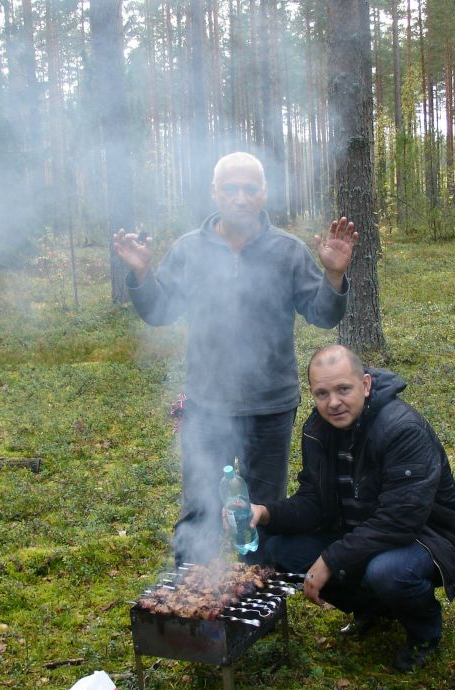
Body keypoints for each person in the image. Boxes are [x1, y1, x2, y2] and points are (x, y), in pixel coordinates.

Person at [113, 152, 359, 564]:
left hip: (271, 407)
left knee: (261, 512)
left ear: (264, 193)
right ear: (214, 192)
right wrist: (141, 275)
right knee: (200, 508)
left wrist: (333, 276)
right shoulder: (189, 250)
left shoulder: (287, 251)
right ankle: (191, 588)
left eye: (250, 189)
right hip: (205, 406)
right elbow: (159, 312)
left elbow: (322, 315)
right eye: (230, 188)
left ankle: (255, 592)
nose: (240, 198)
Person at [249, 345, 455, 672]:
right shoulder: (318, 429)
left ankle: (425, 632)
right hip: (359, 530)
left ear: (365, 385)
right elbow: (313, 502)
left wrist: (330, 560)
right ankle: (374, 610)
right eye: (322, 393)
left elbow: (398, 521)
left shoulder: (402, 429)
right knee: (282, 551)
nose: (333, 402)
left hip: (427, 539)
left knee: (388, 572)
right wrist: (266, 513)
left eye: (343, 389)